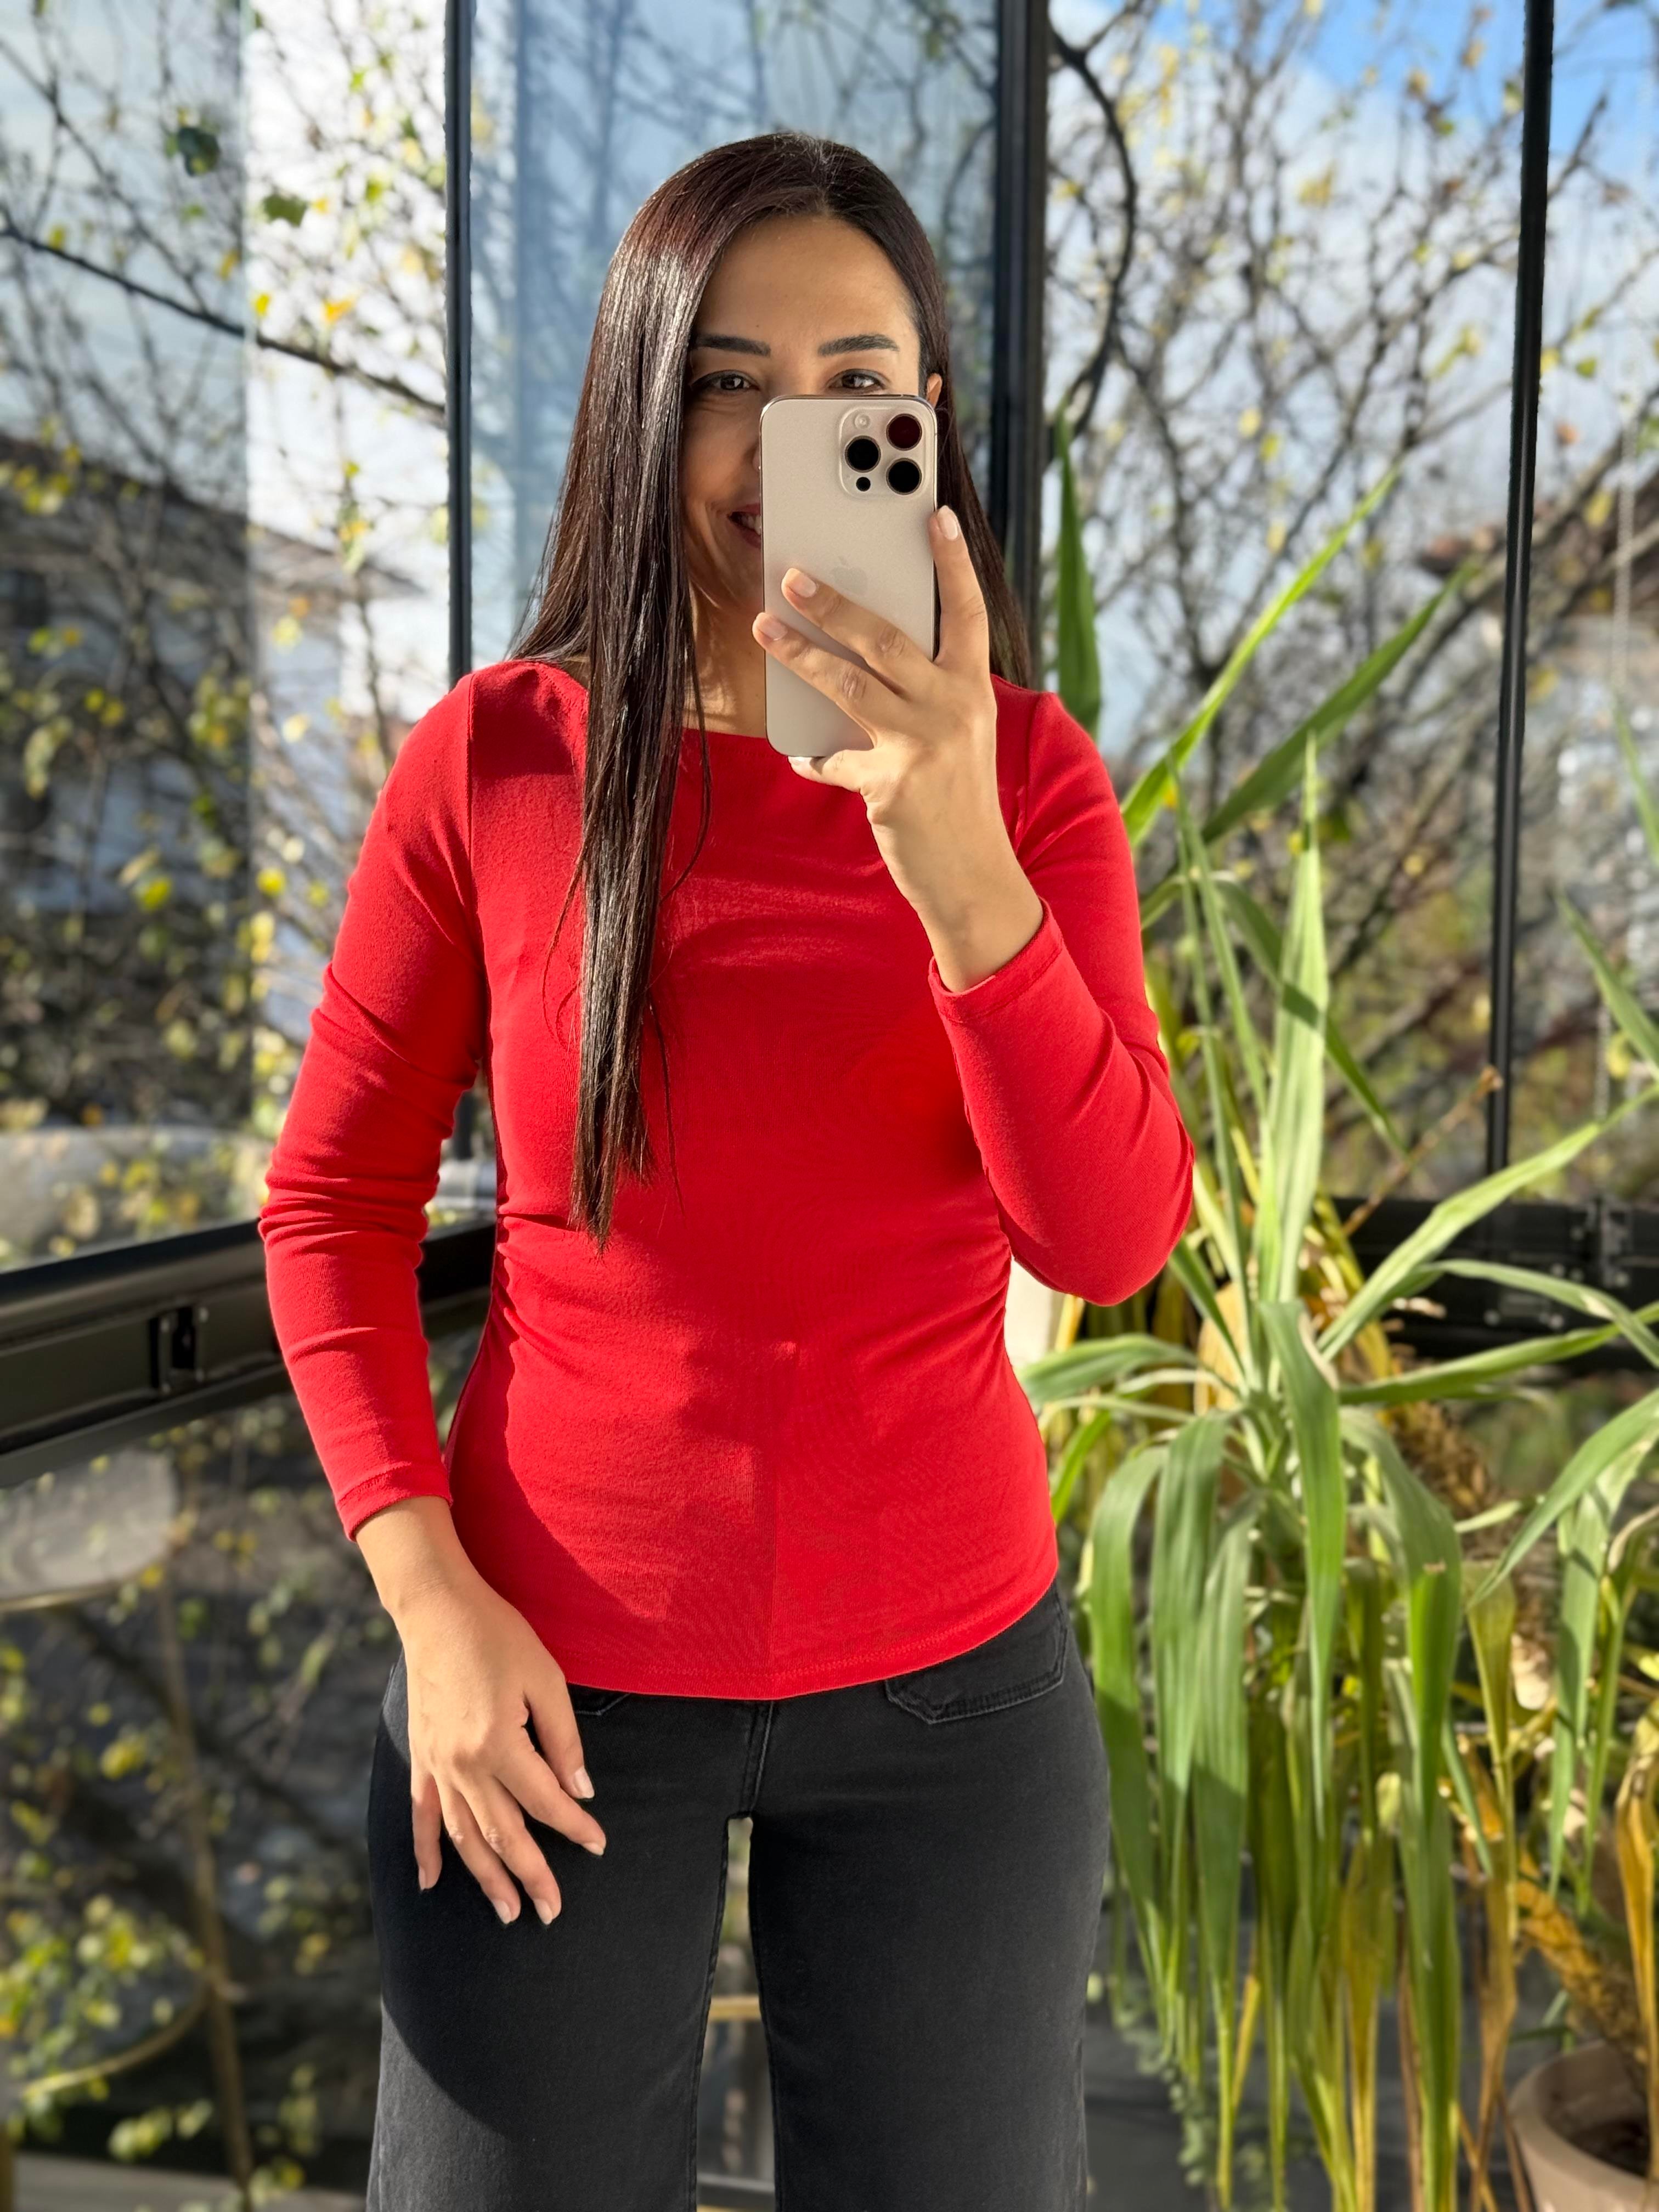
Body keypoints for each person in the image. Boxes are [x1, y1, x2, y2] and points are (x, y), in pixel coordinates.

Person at [258, 128, 1194, 2212]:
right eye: (726, 386)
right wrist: (427, 1599)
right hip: (543, 1682)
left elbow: (1110, 1234)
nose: (790, 445)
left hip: (956, 1694)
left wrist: (953, 851)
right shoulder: (499, 760)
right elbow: (329, 1205)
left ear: (924, 423)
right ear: (640, 402)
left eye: (854, 386)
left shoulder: (1029, 783)